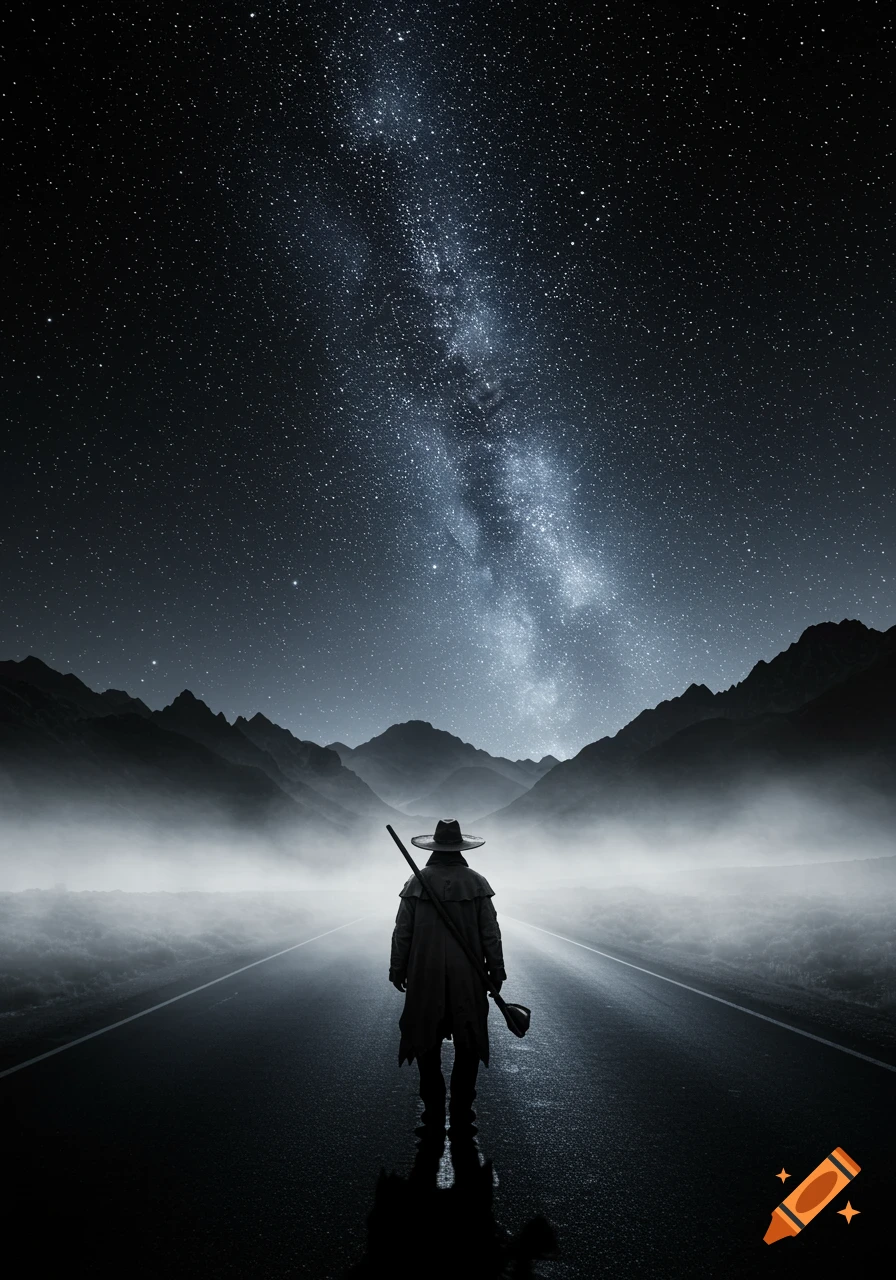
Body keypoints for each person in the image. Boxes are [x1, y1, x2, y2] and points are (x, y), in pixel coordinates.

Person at [389, 817, 507, 1132]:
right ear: (460, 849)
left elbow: (403, 933)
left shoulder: (417, 883)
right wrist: (496, 970)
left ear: (434, 848)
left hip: (424, 976)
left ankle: (432, 1113)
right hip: (468, 977)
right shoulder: (477, 884)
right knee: (468, 1043)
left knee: (425, 1041)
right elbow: (490, 934)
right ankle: (462, 1113)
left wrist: (397, 968)